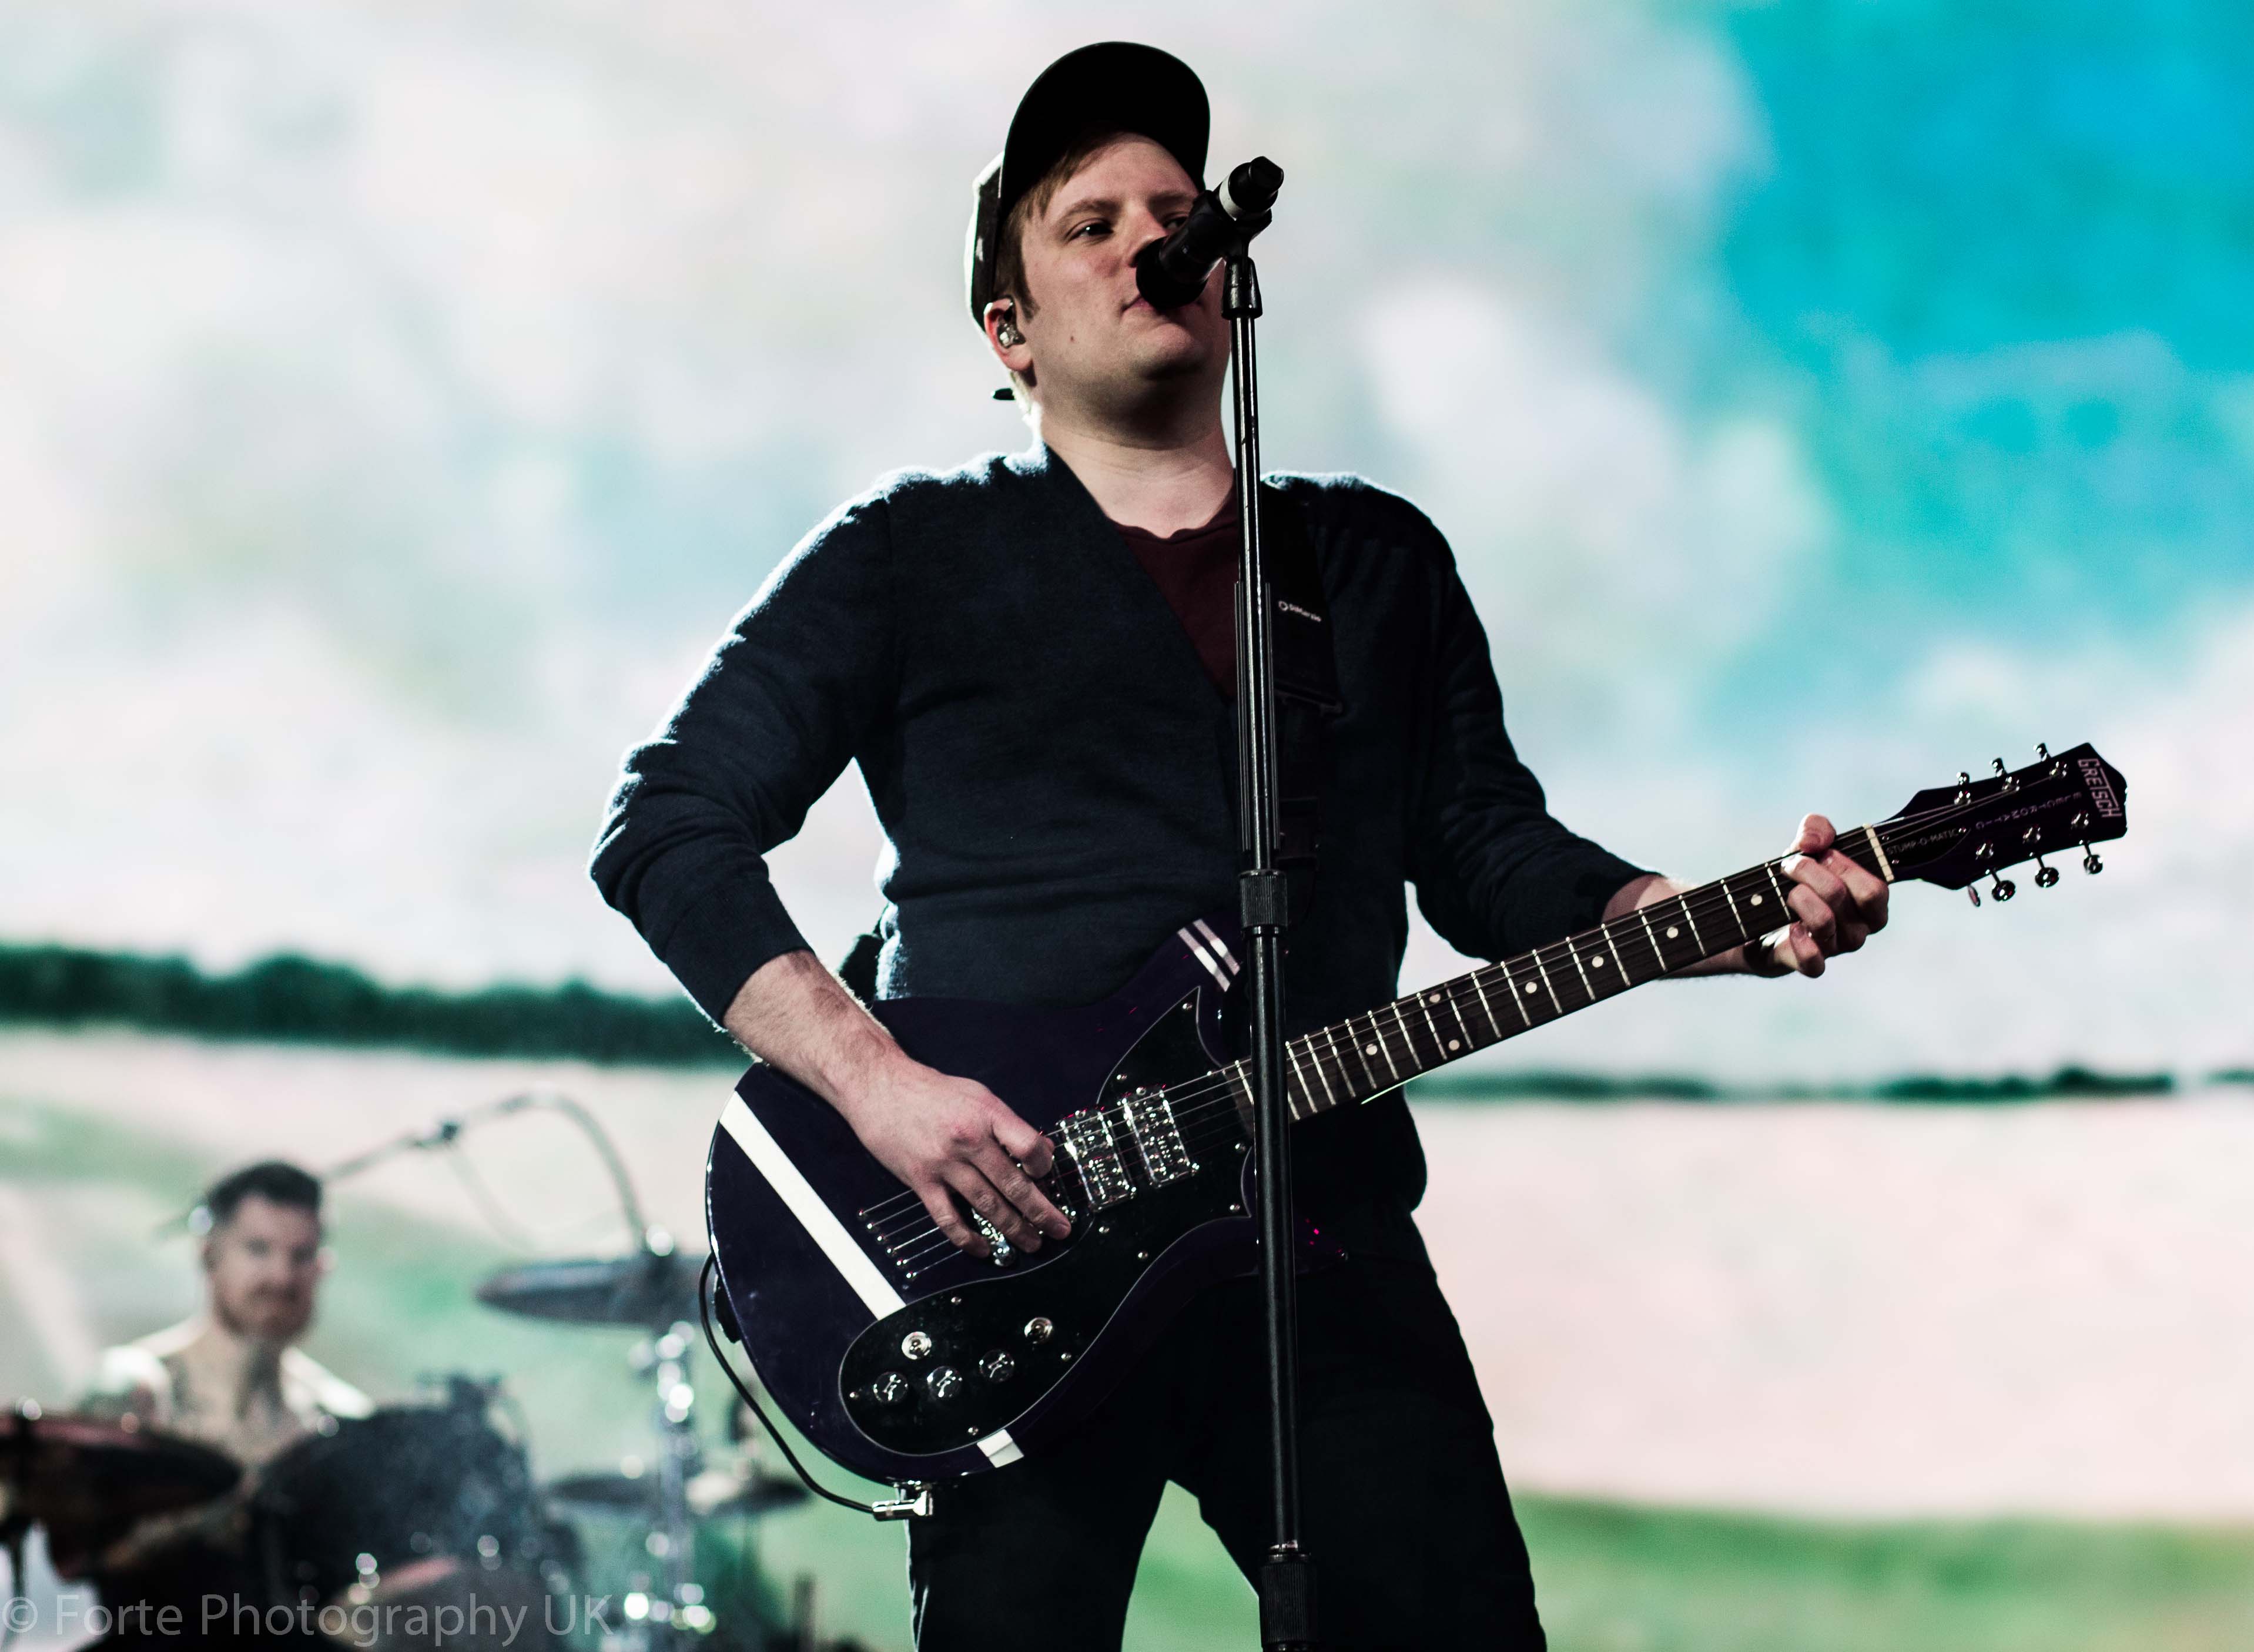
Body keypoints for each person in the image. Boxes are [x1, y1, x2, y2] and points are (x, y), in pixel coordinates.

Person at [590, 41, 1890, 1651]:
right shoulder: (909, 552)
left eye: (1174, 210)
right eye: (1089, 224)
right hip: (1007, 1248)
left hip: (1320, 1233)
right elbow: (667, 825)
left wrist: (1688, 911)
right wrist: (878, 1085)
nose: (1151, 237)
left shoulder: (1374, 561)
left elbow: (1483, 846)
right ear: (1009, 330)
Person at [68, 1161, 371, 1645]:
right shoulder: (138, 1390)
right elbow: (81, 1550)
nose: (281, 1275)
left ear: (322, 1267)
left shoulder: (339, 1418)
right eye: (258, 1249)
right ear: (210, 1254)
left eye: (301, 1254)